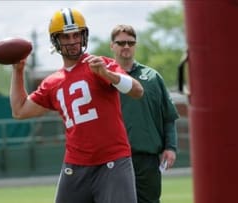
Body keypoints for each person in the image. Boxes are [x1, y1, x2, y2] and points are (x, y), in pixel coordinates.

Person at [10, 8, 144, 203]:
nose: (72, 41)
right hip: (75, 165)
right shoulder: (52, 82)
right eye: (66, 36)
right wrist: (18, 71)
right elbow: (19, 110)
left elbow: (137, 90)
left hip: (112, 160)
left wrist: (107, 74)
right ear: (56, 40)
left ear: (84, 35)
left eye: (76, 34)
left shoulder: (100, 65)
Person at [109, 24, 180, 203]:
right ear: (112, 46)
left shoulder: (153, 77)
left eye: (131, 42)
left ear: (135, 45)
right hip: (113, 158)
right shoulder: (104, 78)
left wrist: (170, 147)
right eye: (121, 42)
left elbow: (168, 117)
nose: (126, 46)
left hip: (147, 159)